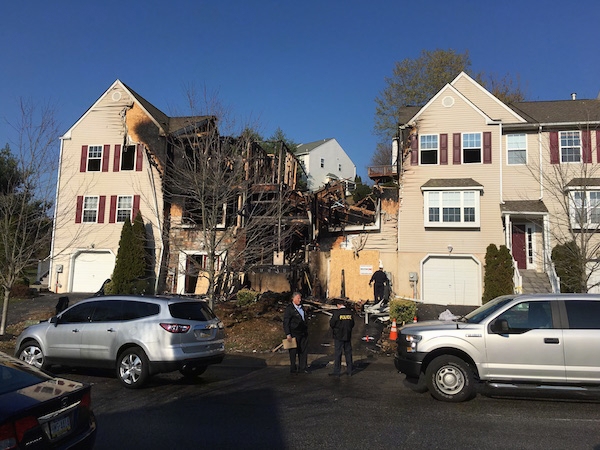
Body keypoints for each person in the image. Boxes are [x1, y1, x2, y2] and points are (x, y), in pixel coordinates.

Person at [283, 292, 309, 374]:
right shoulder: (289, 309)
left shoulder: (302, 308)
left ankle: (303, 367)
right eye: (298, 298)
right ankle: (293, 368)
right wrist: (288, 334)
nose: (300, 300)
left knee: (303, 350)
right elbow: (286, 322)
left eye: (300, 298)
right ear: (293, 299)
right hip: (294, 333)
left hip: (303, 333)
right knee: (293, 351)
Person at [329, 298, 355, 377]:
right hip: (347, 335)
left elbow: (332, 323)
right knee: (348, 353)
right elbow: (352, 324)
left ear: (338, 305)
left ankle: (337, 371)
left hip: (338, 336)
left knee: (338, 354)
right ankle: (349, 370)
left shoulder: (337, 313)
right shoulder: (349, 313)